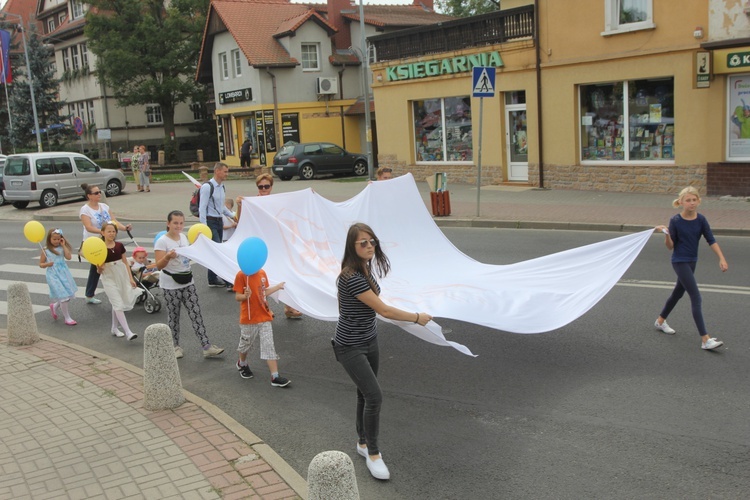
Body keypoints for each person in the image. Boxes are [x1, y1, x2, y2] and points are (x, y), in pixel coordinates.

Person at [333, 222, 432, 480]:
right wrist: (416, 317)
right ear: (352, 247)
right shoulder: (351, 277)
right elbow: (384, 310)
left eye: (372, 241)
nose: (369, 246)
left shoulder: (364, 269)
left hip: (369, 340)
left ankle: (362, 443)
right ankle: (373, 454)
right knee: (374, 396)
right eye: (363, 243)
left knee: (364, 394)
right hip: (349, 346)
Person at [654, 186, 728, 350]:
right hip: (679, 261)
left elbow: (711, 239)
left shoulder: (701, 220)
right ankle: (705, 339)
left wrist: (721, 258)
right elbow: (670, 246)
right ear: (681, 202)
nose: (691, 203)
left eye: (694, 200)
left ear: (698, 201)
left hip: (692, 260)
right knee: (696, 297)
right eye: (688, 200)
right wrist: (666, 235)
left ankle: (660, 321)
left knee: (678, 293)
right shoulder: (675, 221)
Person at [154, 210, 225, 359]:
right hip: (170, 285)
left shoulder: (183, 237)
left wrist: (196, 243)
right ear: (168, 224)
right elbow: (159, 265)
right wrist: (167, 256)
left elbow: (189, 253)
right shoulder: (162, 241)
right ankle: (174, 346)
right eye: (175, 223)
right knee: (174, 316)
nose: (178, 226)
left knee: (196, 313)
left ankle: (206, 346)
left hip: (187, 281)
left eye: (181, 223)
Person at [255, 173, 303, 318]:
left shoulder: (276, 201)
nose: (264, 189)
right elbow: (240, 218)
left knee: (284, 272)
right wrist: (239, 205)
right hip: (261, 245)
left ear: (271, 187)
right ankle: (265, 307)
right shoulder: (253, 202)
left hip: (277, 244)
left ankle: (288, 307)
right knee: (262, 277)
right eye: (261, 186)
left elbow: (290, 210)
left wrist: (307, 197)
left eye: (266, 186)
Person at [233, 267, 291, 387]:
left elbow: (263, 293)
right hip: (248, 318)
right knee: (245, 345)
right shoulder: (241, 275)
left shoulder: (262, 273)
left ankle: (275, 376)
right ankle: (242, 363)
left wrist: (277, 287)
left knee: (269, 346)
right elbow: (238, 297)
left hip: (264, 317)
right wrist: (245, 296)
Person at [80, 183, 132, 304]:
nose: (99, 194)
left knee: (112, 263)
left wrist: (124, 228)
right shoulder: (85, 209)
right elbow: (88, 227)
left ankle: (114, 289)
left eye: (99, 192)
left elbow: (113, 221)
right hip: (93, 243)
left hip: (105, 240)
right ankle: (90, 294)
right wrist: (104, 231)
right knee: (97, 267)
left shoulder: (104, 206)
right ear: (89, 196)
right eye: (96, 193)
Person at [98, 222, 142, 341]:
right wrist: (98, 267)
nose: (112, 233)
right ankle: (128, 332)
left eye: (113, 231)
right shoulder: (99, 248)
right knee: (118, 303)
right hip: (108, 277)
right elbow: (99, 269)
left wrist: (131, 278)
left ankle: (114, 328)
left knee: (117, 301)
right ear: (103, 233)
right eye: (109, 231)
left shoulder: (119, 245)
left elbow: (125, 263)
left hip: (121, 275)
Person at [199, 162, 235, 288]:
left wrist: (232, 216)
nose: (227, 174)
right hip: (210, 222)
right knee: (218, 251)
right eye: (225, 171)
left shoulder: (222, 187)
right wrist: (203, 227)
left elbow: (222, 208)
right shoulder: (207, 187)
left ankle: (212, 278)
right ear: (217, 171)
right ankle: (228, 281)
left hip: (219, 221)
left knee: (215, 250)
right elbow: (202, 208)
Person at [40, 228, 77, 326]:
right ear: (49, 239)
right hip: (53, 275)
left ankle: (55, 306)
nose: (56, 241)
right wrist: (47, 264)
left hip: (64, 274)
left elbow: (69, 257)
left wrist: (64, 245)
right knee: (63, 297)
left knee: (67, 295)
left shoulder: (61, 248)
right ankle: (67, 317)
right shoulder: (46, 250)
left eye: (58, 239)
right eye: (54, 239)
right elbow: (41, 264)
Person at [223, 199, 238, 292]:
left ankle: (233, 282)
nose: (226, 208)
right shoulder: (222, 216)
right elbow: (221, 227)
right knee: (226, 261)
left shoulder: (233, 214)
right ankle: (228, 283)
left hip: (232, 239)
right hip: (224, 239)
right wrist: (231, 226)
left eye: (227, 206)